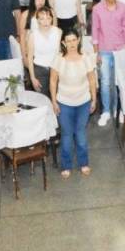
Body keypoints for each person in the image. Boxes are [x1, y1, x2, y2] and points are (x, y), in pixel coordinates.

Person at [50, 28, 97, 178]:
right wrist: (54, 101)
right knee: (67, 135)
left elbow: (92, 79)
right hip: (64, 103)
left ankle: (84, 163)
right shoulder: (58, 59)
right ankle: (66, 165)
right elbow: (53, 81)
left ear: (78, 40)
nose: (71, 44)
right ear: (63, 43)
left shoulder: (86, 58)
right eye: (68, 41)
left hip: (83, 102)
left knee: (81, 134)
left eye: (74, 40)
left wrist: (94, 99)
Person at [90, 0, 125, 128]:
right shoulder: (97, 9)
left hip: (120, 50)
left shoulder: (123, 8)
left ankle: (121, 110)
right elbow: (95, 31)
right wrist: (97, 53)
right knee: (106, 82)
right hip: (104, 50)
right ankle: (106, 111)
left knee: (121, 82)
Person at [27, 7, 62, 99]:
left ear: (52, 19)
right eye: (42, 19)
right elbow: (30, 58)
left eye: (48, 18)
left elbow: (60, 53)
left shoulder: (58, 32)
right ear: (38, 20)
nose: (45, 21)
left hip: (55, 69)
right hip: (39, 70)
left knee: (57, 98)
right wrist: (32, 78)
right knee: (42, 99)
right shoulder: (32, 35)